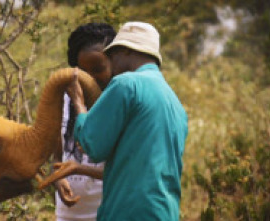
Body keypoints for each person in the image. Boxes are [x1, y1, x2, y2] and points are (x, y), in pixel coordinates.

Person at [66, 21, 188, 220]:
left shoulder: (125, 84)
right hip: (165, 212)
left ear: (128, 51)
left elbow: (92, 146)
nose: (112, 63)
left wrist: (79, 103)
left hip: (129, 211)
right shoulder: (175, 103)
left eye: (113, 54)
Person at [54, 23, 116, 221]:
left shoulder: (119, 102)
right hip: (67, 215)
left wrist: (78, 169)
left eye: (98, 69)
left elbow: (125, 170)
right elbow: (57, 154)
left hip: (107, 213)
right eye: (82, 71)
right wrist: (59, 178)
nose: (89, 78)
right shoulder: (65, 99)